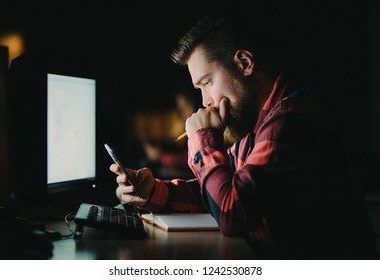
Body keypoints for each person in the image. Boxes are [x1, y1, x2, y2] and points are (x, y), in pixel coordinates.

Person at [110, 15, 377, 259]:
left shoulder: (290, 120)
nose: (205, 102)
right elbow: (219, 190)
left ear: (244, 63)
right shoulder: (252, 124)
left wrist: (203, 137)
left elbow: (231, 212)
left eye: (207, 82)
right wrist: (154, 190)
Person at [140, 86, 201, 179]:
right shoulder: (189, 127)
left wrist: (159, 155)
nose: (182, 115)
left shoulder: (201, 129)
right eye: (180, 110)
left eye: (184, 109)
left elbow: (189, 158)